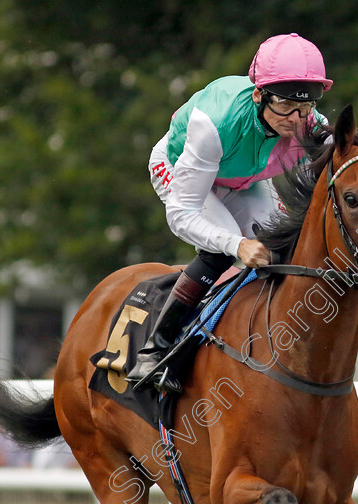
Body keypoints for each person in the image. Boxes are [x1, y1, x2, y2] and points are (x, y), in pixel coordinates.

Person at [127, 33, 332, 393]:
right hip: (185, 174)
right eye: (286, 105)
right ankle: (156, 350)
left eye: (307, 106)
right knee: (222, 249)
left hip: (241, 178)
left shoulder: (309, 122)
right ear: (259, 94)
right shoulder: (214, 123)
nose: (296, 118)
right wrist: (236, 245)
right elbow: (182, 215)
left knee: (276, 250)